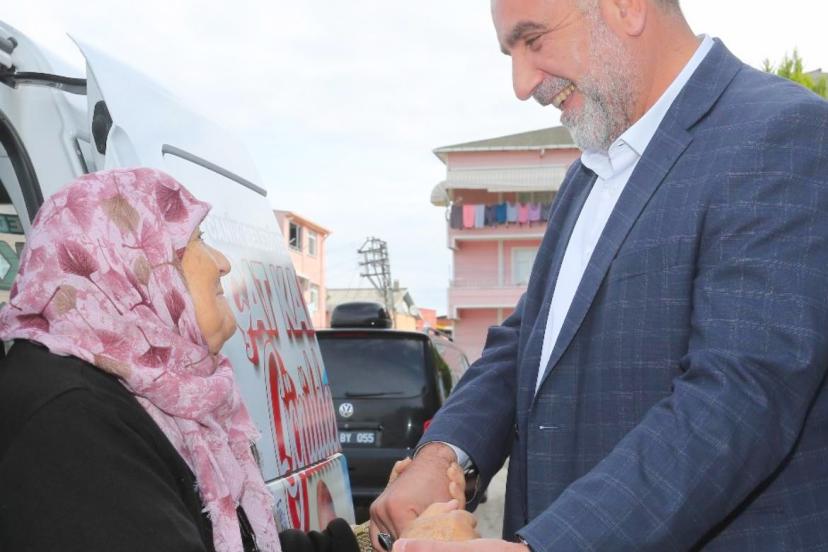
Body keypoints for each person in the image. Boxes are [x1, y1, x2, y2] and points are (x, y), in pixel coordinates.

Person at [372, 0, 828, 551]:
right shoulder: (587, 174)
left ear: (626, 8)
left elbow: (738, 398)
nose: (521, 85)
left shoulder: (784, 132)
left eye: (533, 40)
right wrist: (443, 455)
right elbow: (526, 344)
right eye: (510, 53)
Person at [0, 168, 478, 552]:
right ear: (134, 263)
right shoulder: (65, 418)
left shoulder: (141, 392)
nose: (222, 263)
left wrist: (378, 542)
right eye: (197, 239)